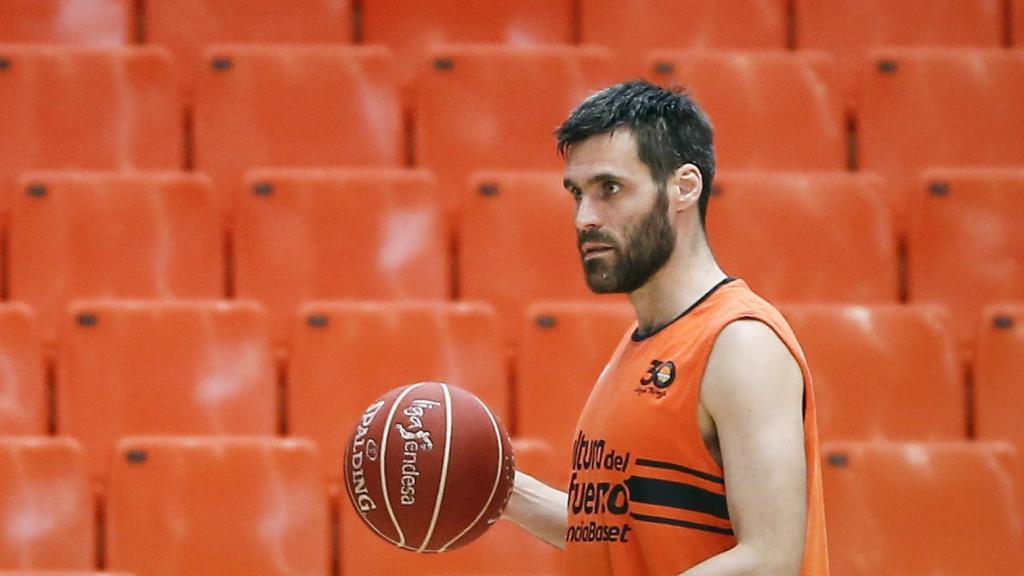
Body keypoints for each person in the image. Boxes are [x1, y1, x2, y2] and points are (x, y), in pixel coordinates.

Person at [501, 80, 829, 575]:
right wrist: (499, 491)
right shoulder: (639, 348)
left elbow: (769, 560)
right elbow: (610, 536)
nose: (585, 217)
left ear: (684, 187)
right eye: (577, 193)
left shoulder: (739, 341)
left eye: (609, 188)